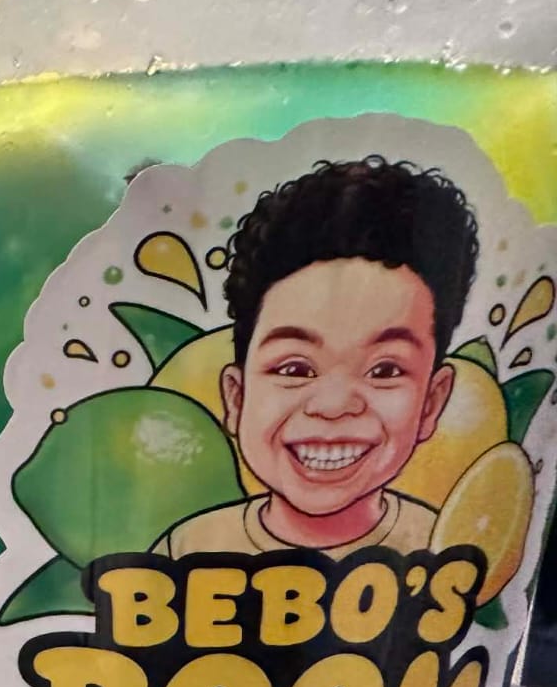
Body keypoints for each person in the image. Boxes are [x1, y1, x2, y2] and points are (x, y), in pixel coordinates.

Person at [154, 157, 477, 560]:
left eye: (385, 370)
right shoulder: (187, 549)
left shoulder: (442, 549)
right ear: (236, 398)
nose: (334, 405)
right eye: (295, 369)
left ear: (431, 402)